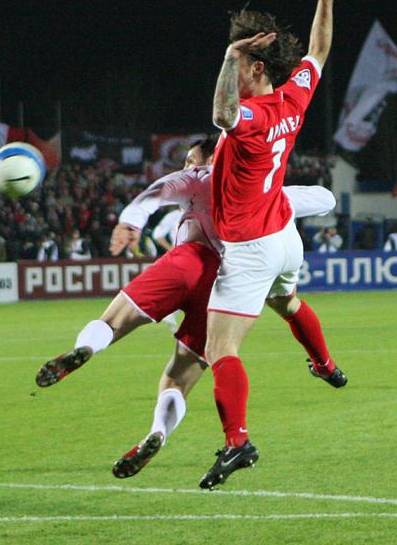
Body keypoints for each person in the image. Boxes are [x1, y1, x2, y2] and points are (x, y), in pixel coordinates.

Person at [35, 137, 341, 479]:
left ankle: (86, 348)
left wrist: (130, 223)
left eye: (190, 159)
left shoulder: (196, 178)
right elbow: (325, 198)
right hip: (223, 288)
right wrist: (277, 195)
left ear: (211, 158)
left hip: (187, 262)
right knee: (178, 378)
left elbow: (151, 195)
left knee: (113, 321)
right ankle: (158, 432)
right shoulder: (260, 189)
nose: (186, 166)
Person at [199, 0, 352, 490]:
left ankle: (237, 441)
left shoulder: (253, 118)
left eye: (241, 65)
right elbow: (319, 51)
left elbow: (221, 115)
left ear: (257, 69)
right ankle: (325, 364)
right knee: (287, 303)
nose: (233, 72)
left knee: (220, 350)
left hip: (250, 245)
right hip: (284, 235)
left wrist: (229, 56)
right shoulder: (293, 98)